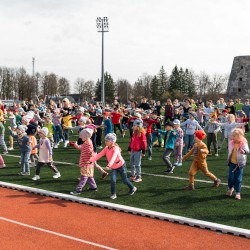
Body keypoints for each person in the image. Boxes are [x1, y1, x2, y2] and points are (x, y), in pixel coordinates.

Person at [89, 133, 137, 200]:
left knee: (125, 180)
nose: (105, 142)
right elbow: (99, 154)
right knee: (113, 180)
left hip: (121, 166)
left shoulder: (115, 148)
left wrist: (109, 165)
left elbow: (113, 157)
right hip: (114, 167)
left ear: (111, 142)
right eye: (105, 140)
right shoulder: (106, 148)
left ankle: (132, 188)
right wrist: (91, 160)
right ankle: (113, 194)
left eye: (107, 141)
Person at [69, 128, 98, 195]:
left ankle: (78, 190)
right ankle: (94, 187)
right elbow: (81, 147)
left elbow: (91, 152)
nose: (80, 137)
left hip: (86, 163)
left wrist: (91, 158)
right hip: (88, 163)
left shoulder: (87, 144)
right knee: (89, 176)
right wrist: (75, 145)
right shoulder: (87, 142)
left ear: (86, 136)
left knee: (83, 177)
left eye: (81, 136)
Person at [226, 128, 249, 200]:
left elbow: (248, 150)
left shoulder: (243, 143)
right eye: (232, 136)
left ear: (239, 136)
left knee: (238, 179)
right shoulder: (231, 143)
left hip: (239, 164)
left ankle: (238, 192)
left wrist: (244, 151)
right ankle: (230, 189)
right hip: (232, 163)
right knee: (230, 178)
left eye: (234, 136)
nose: (232, 137)